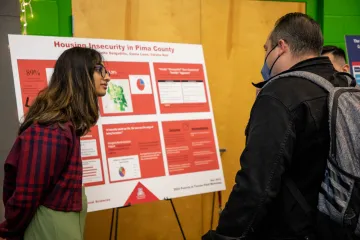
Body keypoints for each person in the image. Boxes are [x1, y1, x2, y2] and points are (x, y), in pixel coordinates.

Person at [203, 13, 354, 240]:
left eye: (266, 49)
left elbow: (256, 185)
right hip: (337, 225)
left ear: (281, 47)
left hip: (290, 230)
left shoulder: (279, 94)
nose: (265, 57)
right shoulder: (343, 84)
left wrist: (224, 235)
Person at [0, 47, 110, 240]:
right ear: (78, 75)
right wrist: (8, 231)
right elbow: (26, 195)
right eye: (99, 69)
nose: (107, 76)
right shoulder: (53, 130)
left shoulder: (64, 126)